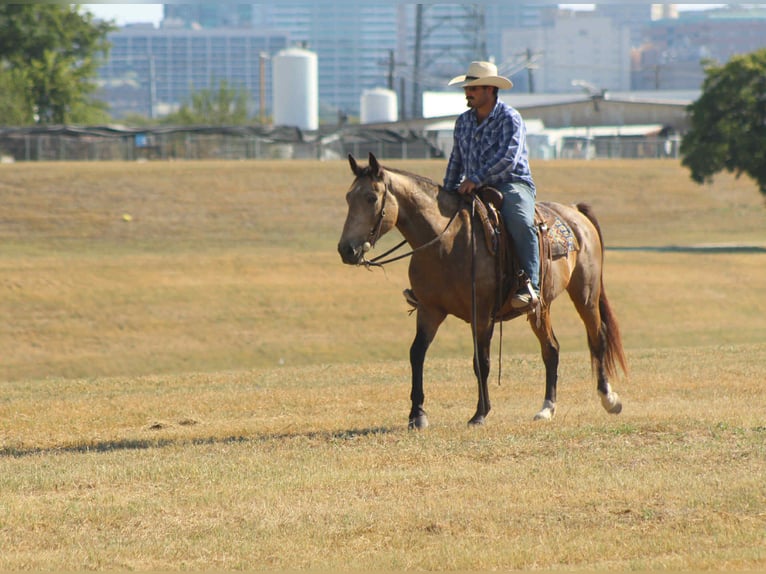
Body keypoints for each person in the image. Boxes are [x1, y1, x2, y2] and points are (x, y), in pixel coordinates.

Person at [443, 61, 540, 309]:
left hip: (511, 183)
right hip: (470, 186)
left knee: (520, 220)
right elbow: (456, 159)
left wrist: (476, 178)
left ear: (490, 89)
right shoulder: (463, 122)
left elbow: (509, 159)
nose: (468, 92)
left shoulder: (510, 118)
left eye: (473, 88)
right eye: (467, 88)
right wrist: (446, 191)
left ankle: (531, 285)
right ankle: (434, 284)